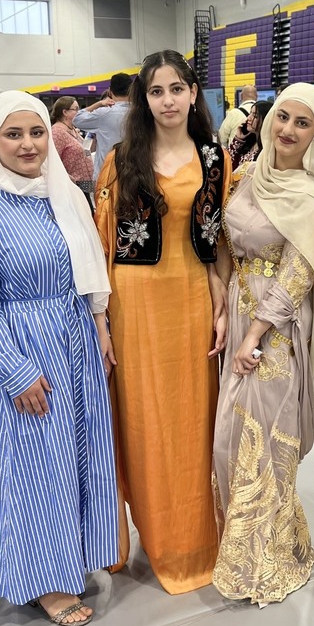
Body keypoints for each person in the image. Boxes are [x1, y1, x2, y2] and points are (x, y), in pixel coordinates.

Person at [0, 92, 119, 626]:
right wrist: (15, 370)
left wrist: (99, 325)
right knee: (34, 470)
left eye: (37, 133)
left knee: (75, 459)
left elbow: (85, 274)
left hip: (76, 347)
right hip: (23, 356)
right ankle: (44, 581)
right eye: (13, 135)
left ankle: (71, 559)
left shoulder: (62, 198)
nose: (28, 145)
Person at [95, 50, 230, 593]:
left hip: (194, 301)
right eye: (157, 91)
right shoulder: (122, 159)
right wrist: (100, 319)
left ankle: (196, 540)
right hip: (135, 306)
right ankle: (153, 535)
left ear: (194, 93)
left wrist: (223, 296)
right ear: (143, 99)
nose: (168, 100)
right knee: (144, 422)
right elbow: (103, 243)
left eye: (177, 88)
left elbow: (218, 237)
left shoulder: (216, 158)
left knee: (196, 422)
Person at [212, 84, 314, 604]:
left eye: (302, 124)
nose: (287, 129)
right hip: (238, 312)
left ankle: (264, 559)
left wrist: (256, 333)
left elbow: (299, 272)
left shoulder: (307, 194)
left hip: (274, 333)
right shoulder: (246, 174)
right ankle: (247, 545)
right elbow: (222, 242)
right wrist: (221, 305)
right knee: (232, 437)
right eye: (283, 116)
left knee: (265, 440)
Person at [75, 72, 132, 180]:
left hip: (106, 178)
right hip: (133, 176)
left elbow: (77, 119)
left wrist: (99, 103)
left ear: (110, 91)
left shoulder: (103, 114)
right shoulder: (142, 113)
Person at [50, 96, 95, 208]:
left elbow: (86, 150)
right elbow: (52, 159)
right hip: (73, 185)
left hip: (86, 185)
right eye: (75, 109)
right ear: (65, 112)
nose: (78, 112)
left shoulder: (73, 129)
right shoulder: (57, 132)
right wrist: (66, 177)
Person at [227, 99, 273, 170]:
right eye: (250, 113)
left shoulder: (268, 149)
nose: (248, 118)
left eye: (255, 116)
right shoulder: (250, 142)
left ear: (265, 120)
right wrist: (238, 139)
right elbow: (229, 165)